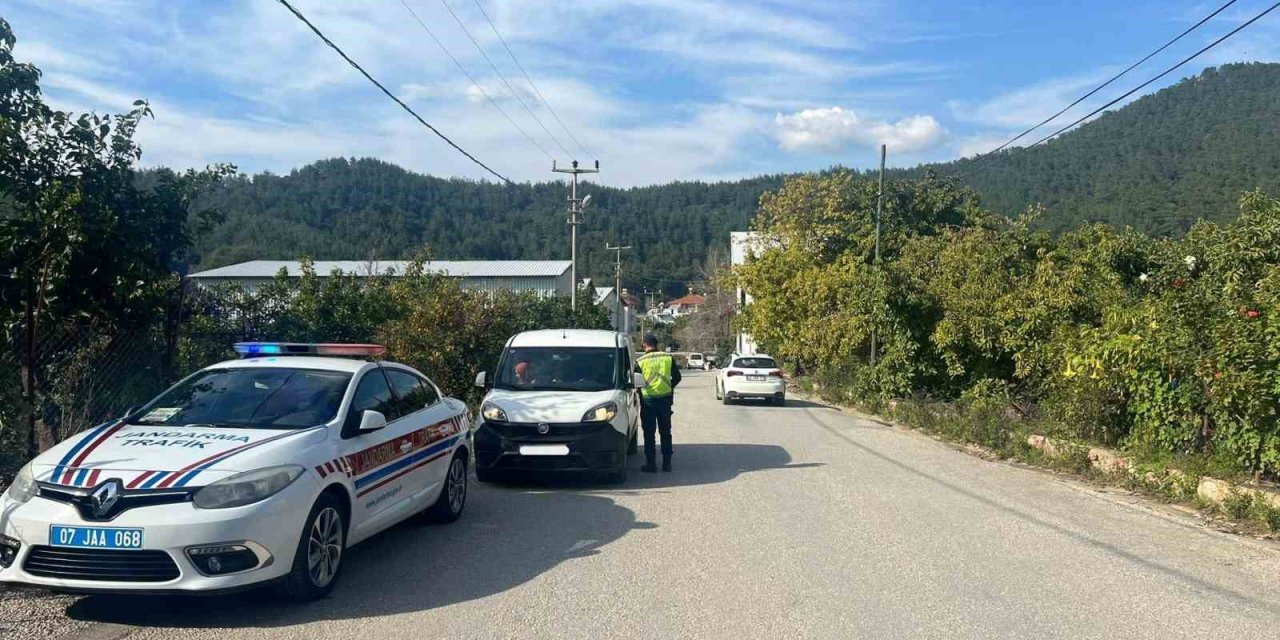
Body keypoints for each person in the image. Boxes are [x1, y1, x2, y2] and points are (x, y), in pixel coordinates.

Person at [635, 333, 681, 473]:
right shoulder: (668, 357)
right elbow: (677, 377)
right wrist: (669, 386)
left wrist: (639, 392)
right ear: (657, 344)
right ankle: (667, 464)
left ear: (644, 345)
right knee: (665, 432)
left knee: (649, 434)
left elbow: (636, 381)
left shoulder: (641, 361)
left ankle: (651, 464)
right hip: (665, 400)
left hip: (648, 401)